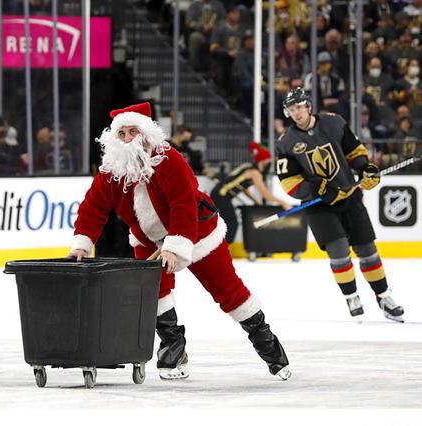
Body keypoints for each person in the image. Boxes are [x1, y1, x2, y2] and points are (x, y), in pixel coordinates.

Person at [67, 102, 291, 381]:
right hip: (148, 238)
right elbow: (93, 207)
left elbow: (183, 205)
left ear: (146, 133)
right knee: (155, 293)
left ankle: (268, 345)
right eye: (121, 133)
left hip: (196, 232)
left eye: (132, 131)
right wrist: (82, 244)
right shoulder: (112, 169)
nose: (126, 139)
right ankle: (173, 347)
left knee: (227, 290)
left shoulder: (169, 160)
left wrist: (174, 246)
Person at [276, 87, 405, 323]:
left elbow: (354, 150)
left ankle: (384, 296)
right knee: (338, 250)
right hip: (319, 207)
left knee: (367, 250)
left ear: (308, 106)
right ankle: (352, 296)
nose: (296, 113)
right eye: (291, 109)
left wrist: (366, 168)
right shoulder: (286, 142)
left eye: (299, 107)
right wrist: (320, 190)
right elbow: (290, 183)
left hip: (349, 197)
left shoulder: (333, 123)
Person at [210, 141, 291, 244]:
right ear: (263, 161)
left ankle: (221, 248)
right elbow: (265, 194)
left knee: (227, 223)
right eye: (267, 159)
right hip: (221, 196)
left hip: (219, 194)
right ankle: (223, 249)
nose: (269, 162)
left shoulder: (249, 167)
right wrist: (283, 203)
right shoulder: (255, 173)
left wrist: (255, 201)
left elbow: (243, 188)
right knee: (231, 223)